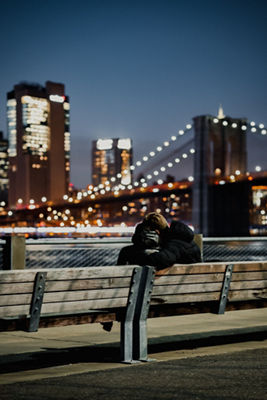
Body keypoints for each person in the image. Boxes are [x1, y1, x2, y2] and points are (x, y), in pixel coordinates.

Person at [117, 212, 202, 269]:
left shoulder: (175, 244)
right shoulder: (183, 240)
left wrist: (136, 257)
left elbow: (161, 259)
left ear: (157, 231)